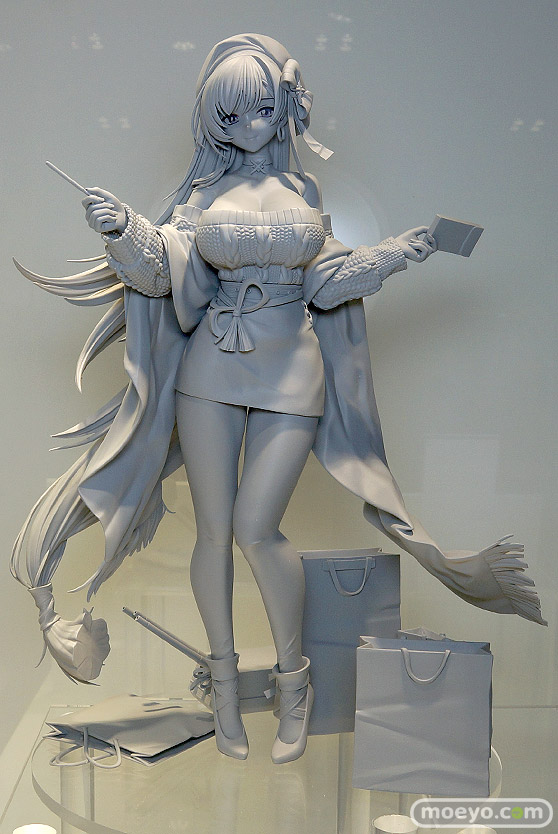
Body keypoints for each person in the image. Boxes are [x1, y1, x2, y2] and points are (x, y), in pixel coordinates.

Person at [11, 34, 545, 765]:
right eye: (230, 113)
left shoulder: (306, 192)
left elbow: (326, 284)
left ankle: (296, 683)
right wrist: (123, 231)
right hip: (211, 368)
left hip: (292, 368)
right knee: (214, 532)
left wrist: (397, 253)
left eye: (261, 107)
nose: (249, 123)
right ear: (214, 118)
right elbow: (163, 273)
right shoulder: (203, 196)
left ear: (286, 106)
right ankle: (226, 689)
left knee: (258, 530)